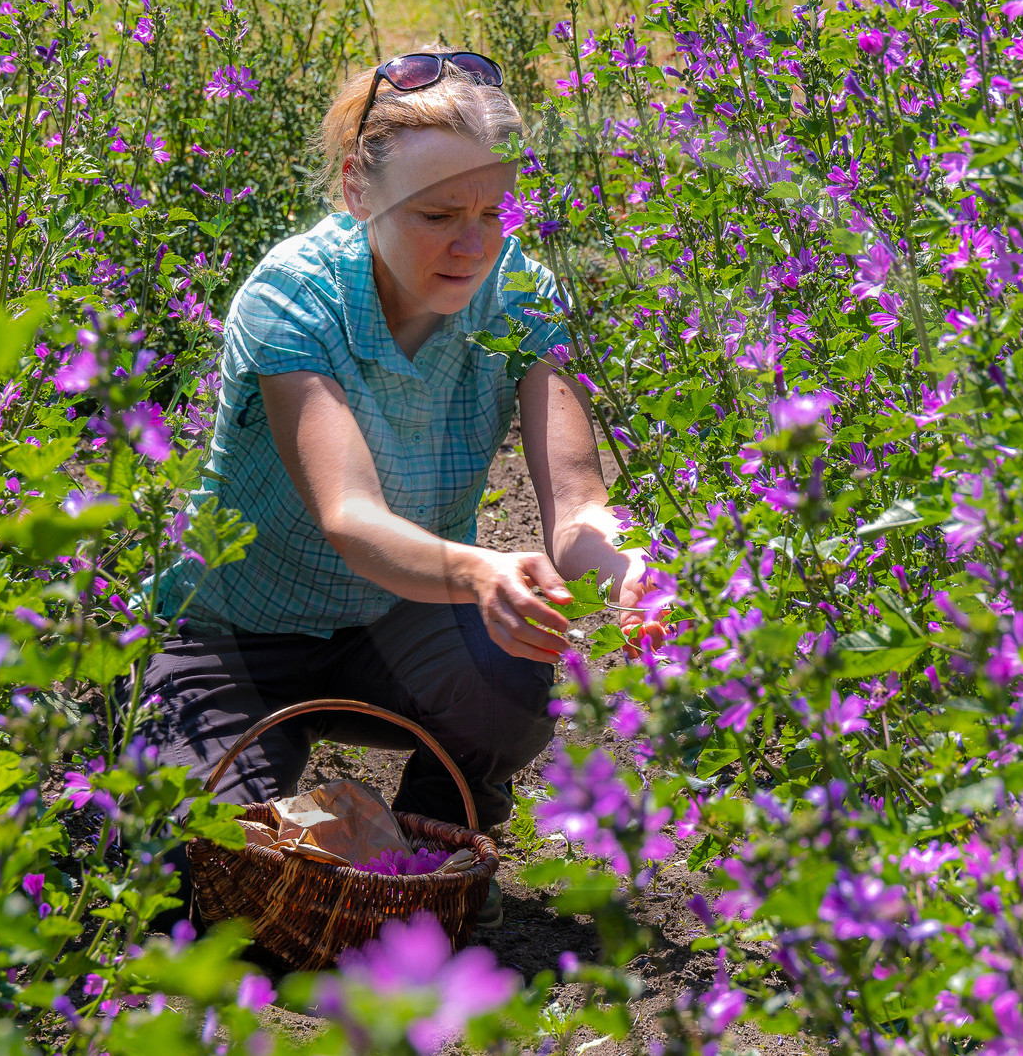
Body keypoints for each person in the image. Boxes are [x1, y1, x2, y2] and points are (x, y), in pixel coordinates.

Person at [138, 48, 667, 930]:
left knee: (515, 656)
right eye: (436, 213)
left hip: (399, 623)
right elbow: (349, 517)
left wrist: (632, 575)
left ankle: (447, 841)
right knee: (201, 886)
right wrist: (479, 571)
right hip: (236, 632)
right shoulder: (295, 299)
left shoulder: (520, 296)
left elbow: (577, 509)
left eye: (491, 209)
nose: (473, 242)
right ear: (357, 190)